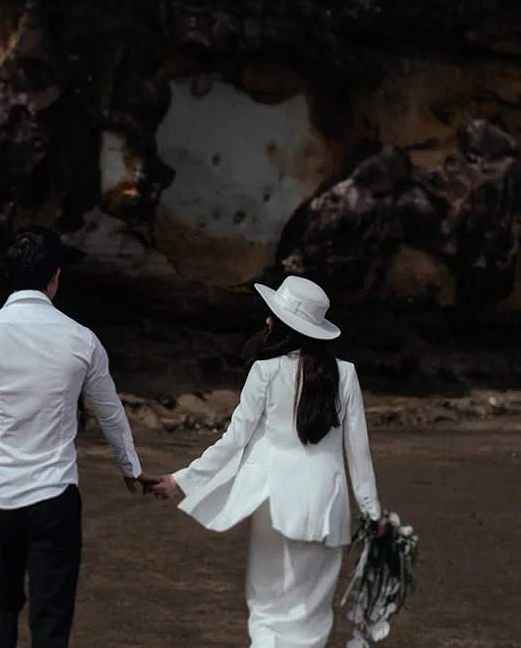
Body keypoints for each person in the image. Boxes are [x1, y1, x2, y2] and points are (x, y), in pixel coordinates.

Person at [0, 226, 157, 648]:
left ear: (9, 275)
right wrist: (130, 467)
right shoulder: (81, 339)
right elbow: (110, 411)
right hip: (55, 496)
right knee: (51, 617)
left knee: (0, 602)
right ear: (55, 277)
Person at [150, 276, 387, 648]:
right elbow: (359, 453)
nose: (267, 322)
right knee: (312, 614)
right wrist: (373, 512)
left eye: (273, 317)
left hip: (274, 502)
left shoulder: (266, 370)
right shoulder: (346, 374)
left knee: (267, 609)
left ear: (288, 327)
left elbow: (233, 441)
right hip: (328, 506)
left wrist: (180, 479)